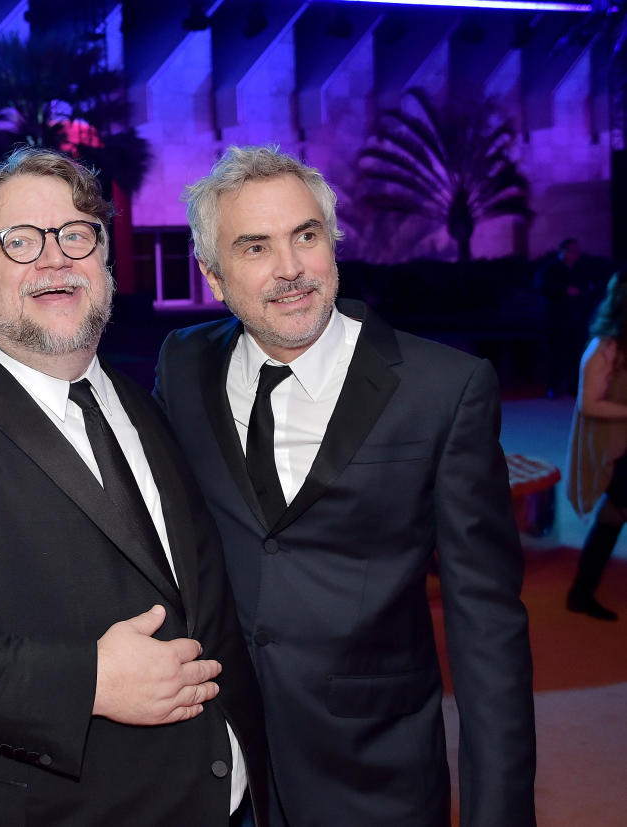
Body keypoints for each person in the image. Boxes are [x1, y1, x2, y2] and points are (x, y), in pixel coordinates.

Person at [0, 147, 268, 825]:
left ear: (104, 264)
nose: (55, 257)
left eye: (76, 234)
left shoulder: (143, 402)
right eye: (19, 240)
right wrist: (87, 681)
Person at [154, 145, 536, 827]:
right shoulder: (183, 367)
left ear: (332, 242)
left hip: (376, 773)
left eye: (306, 235)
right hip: (218, 767)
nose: (291, 268)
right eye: (255, 247)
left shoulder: (442, 390)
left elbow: (489, 631)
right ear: (213, 276)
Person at [565, 271, 627, 621]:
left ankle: (581, 592)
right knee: (613, 516)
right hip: (615, 449)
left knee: (611, 519)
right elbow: (588, 403)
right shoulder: (604, 348)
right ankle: (580, 592)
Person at [537, 237, 597, 397]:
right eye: (571, 251)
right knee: (555, 353)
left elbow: (588, 290)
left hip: (576, 319)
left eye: (576, 251)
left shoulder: (580, 270)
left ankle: (573, 386)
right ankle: (553, 386)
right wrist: (564, 290)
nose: (575, 255)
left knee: (575, 353)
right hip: (556, 319)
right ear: (562, 251)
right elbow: (542, 287)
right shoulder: (550, 269)